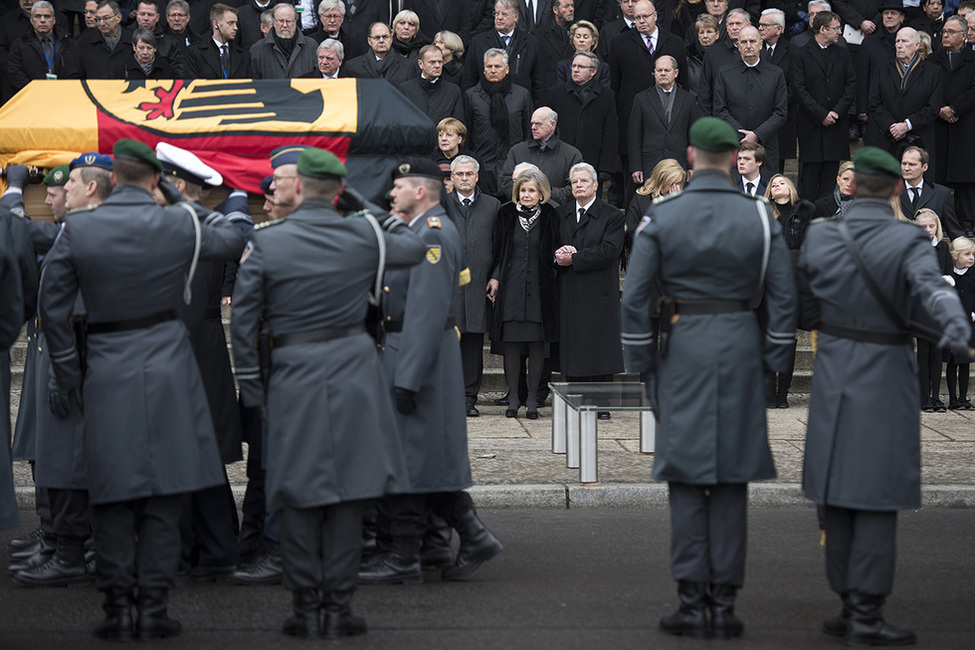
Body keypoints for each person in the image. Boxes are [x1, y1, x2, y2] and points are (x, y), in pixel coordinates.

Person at [38, 139, 249, 640]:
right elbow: (235, 238)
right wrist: (184, 199)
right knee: (165, 490)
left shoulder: (80, 228)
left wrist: (68, 374)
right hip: (171, 364)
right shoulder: (178, 221)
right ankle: (153, 606)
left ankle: (116, 607)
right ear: (156, 180)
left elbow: (53, 308)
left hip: (107, 367)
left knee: (111, 492)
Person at [231, 147, 426, 639]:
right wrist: (370, 208)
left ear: (298, 187)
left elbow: (242, 320)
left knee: (297, 490)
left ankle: (304, 605)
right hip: (355, 370)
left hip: (292, 371)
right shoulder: (363, 232)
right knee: (349, 490)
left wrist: (252, 384)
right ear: (339, 190)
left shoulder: (267, 240)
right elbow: (414, 246)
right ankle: (338, 607)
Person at [621, 117, 797, 639]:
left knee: (686, 475)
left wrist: (642, 363)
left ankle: (691, 599)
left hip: (684, 349)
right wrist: (772, 358)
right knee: (729, 479)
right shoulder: (762, 217)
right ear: (733, 157)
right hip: (742, 345)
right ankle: (724, 603)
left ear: (693, 157)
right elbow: (783, 298)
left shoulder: (664, 213)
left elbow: (635, 297)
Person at [797, 146, 970, 647]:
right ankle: (867, 614)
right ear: (896, 188)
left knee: (836, 491)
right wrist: (957, 327)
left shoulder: (822, 234)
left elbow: (806, 303)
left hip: (833, 372)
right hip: (883, 375)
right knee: (874, 497)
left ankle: (847, 602)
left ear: (852, 185)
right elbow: (933, 290)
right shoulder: (905, 237)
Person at [358, 158, 503, 586]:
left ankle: (407, 555)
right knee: (417, 458)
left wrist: (407, 376)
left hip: (417, 356)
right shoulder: (418, 229)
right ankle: (462, 539)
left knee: (411, 459)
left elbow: (425, 312)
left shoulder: (434, 235)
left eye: (399, 187)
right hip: (407, 352)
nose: (392, 194)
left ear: (420, 191)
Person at [9, 155, 110, 588]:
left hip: (74, 359)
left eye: (66, 186)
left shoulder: (91, 234)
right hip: (64, 353)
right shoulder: (75, 231)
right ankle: (61, 543)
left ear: (90, 188)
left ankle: (71, 552)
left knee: (69, 458)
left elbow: (77, 307)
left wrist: (62, 373)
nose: (58, 194)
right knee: (60, 457)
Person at [488, 167, 559, 419]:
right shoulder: (506, 213)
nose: (526, 194)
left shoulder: (551, 215)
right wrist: (495, 276)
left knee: (537, 345)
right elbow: (498, 250)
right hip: (512, 287)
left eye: (531, 190)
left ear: (541, 193)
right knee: (512, 345)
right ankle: (514, 398)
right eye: (522, 190)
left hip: (540, 290)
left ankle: (531, 399)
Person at [555, 162, 625, 401]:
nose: (578, 185)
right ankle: (575, 398)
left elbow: (609, 250)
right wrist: (557, 256)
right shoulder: (560, 213)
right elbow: (551, 248)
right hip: (570, 292)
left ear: (596, 185)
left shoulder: (612, 216)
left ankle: (602, 402)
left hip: (599, 292)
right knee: (574, 349)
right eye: (574, 182)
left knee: (600, 348)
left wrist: (574, 258)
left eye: (584, 181)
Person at [609, 1, 687, 198]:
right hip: (633, 128)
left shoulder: (675, 42)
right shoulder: (619, 43)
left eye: (645, 16)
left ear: (655, 16)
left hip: (671, 128)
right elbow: (614, 87)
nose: (641, 21)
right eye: (637, 18)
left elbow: (684, 85)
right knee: (637, 191)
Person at [449, 155, 502, 417]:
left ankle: (469, 398)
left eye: (469, 174)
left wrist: (496, 275)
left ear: (477, 176)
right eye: (459, 174)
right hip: (447, 288)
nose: (465, 178)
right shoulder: (440, 205)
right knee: (447, 343)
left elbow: (501, 247)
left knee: (472, 344)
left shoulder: (492, 206)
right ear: (452, 177)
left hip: (479, 284)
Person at [792, 9, 856, 202]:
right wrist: (821, 114)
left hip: (836, 127)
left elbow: (851, 84)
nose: (839, 32)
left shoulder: (843, 53)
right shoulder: (801, 54)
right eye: (836, 28)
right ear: (822, 29)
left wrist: (836, 112)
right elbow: (799, 89)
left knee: (830, 181)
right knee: (809, 183)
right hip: (811, 126)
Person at [764, 173, 814, 409]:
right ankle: (767, 392)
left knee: (785, 339)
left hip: (793, 283)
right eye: (773, 184)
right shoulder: (763, 211)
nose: (776, 186)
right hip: (765, 283)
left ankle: (783, 392)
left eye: (781, 182)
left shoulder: (805, 211)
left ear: (791, 187)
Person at [866, 26, 943, 177]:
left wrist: (907, 125)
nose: (899, 45)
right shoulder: (882, 70)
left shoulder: (933, 72)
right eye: (897, 41)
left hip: (919, 139)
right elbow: (874, 103)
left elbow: (933, 107)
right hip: (886, 137)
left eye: (904, 41)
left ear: (917, 45)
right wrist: (892, 127)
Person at [713, 25, 789, 174]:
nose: (748, 46)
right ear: (738, 46)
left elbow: (780, 112)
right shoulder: (724, 73)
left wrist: (757, 134)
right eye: (744, 42)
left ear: (761, 44)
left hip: (766, 148)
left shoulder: (776, 74)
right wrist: (743, 135)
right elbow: (719, 110)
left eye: (752, 41)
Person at [462, 48, 532, 197]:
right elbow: (466, 133)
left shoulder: (522, 95)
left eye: (497, 66)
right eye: (489, 66)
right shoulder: (471, 96)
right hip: (482, 165)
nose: (493, 70)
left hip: (513, 166)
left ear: (507, 69)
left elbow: (528, 132)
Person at [929, 14, 975, 235]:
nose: (945, 35)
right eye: (944, 32)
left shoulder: (973, 60)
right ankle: (941, 220)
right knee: (940, 174)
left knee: (966, 175)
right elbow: (928, 88)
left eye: (951, 32)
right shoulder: (933, 60)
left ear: (964, 36)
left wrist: (954, 108)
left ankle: (967, 221)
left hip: (965, 124)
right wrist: (941, 109)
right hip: (939, 125)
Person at [546, 50, 619, 185]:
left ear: (593, 72)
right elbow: (549, 129)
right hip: (561, 161)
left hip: (592, 161)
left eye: (581, 67)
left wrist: (606, 167)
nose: (575, 70)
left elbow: (610, 133)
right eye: (573, 66)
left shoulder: (606, 96)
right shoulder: (555, 93)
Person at [629, 54, 702, 181]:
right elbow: (634, 135)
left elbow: (694, 136)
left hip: (680, 163)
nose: (662, 73)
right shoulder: (641, 99)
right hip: (650, 163)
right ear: (654, 73)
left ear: (676, 73)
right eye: (659, 70)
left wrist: (692, 165)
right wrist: (636, 166)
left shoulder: (688, 99)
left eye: (667, 70)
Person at [464, 0, 546, 106]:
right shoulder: (478, 42)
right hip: (485, 106)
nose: (499, 17)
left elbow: (539, 83)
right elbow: (469, 79)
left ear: (516, 17)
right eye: (497, 13)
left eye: (504, 14)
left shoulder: (531, 43)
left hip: (520, 108)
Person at [500, 106, 584, 204]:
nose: (533, 127)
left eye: (538, 124)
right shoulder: (517, 151)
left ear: (552, 124)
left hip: (555, 212)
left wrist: (543, 193)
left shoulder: (572, 155)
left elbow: (574, 188)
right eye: (532, 124)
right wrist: (527, 196)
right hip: (521, 212)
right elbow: (505, 181)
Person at [914, 209, 951, 412]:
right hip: (920, 306)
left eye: (931, 226)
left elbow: (948, 274)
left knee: (937, 352)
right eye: (923, 226)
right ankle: (923, 397)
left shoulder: (943, 247)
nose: (928, 230)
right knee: (924, 351)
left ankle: (936, 397)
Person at [7, 1, 76, 96]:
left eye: (47, 16)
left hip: (63, 95)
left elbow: (76, 71)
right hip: (31, 96)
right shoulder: (19, 45)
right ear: (31, 20)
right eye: (38, 16)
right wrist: (34, 91)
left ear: (54, 20)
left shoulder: (68, 43)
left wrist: (62, 90)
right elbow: (14, 74)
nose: (42, 20)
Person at [899, 145, 961, 237]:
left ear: (924, 167)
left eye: (912, 164)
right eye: (904, 164)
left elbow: (954, 232)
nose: (906, 168)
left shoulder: (941, 194)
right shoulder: (889, 192)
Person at [943, 236, 975, 410]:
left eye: (973, 254)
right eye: (967, 254)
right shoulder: (949, 275)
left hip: (968, 325)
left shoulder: (973, 274)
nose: (971, 257)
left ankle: (963, 397)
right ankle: (953, 398)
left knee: (965, 362)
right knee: (952, 361)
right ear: (955, 256)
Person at [398, 44, 463, 125]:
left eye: (440, 62)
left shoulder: (453, 91)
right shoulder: (405, 89)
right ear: (420, 64)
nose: (437, 66)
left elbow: (458, 126)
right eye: (432, 62)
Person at [248, 3, 317, 78]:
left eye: (288, 21)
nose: (284, 25)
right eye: (280, 21)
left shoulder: (311, 46)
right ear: (274, 22)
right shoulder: (258, 49)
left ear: (295, 21)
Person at [185, 3, 250, 79]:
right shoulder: (195, 53)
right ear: (215, 24)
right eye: (230, 23)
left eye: (236, 23)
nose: (236, 28)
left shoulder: (244, 55)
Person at [341, 20, 413, 86]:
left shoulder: (408, 66)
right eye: (377, 37)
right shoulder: (353, 66)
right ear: (369, 41)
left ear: (391, 39)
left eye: (385, 37)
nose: (381, 40)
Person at [76, 0, 133, 79]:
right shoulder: (84, 42)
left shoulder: (133, 41)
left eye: (106, 18)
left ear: (118, 17)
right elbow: (76, 75)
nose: (101, 23)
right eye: (98, 19)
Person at [554, 20, 610, 88]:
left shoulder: (603, 68)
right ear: (573, 40)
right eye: (578, 36)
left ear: (593, 41)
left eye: (585, 37)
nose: (581, 40)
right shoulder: (563, 66)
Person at [534, 0, 575, 82]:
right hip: (549, 87)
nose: (571, 9)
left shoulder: (579, 32)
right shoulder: (539, 35)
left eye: (572, 6)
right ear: (555, 10)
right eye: (566, 6)